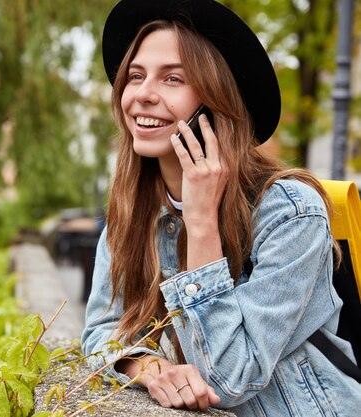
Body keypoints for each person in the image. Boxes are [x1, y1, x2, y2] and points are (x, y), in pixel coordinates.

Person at [81, 0, 361, 415]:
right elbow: (100, 331)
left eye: (172, 78)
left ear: (215, 103)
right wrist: (146, 365)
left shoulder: (291, 215)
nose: (142, 95)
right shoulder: (132, 214)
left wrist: (201, 222)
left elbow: (227, 380)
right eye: (135, 76)